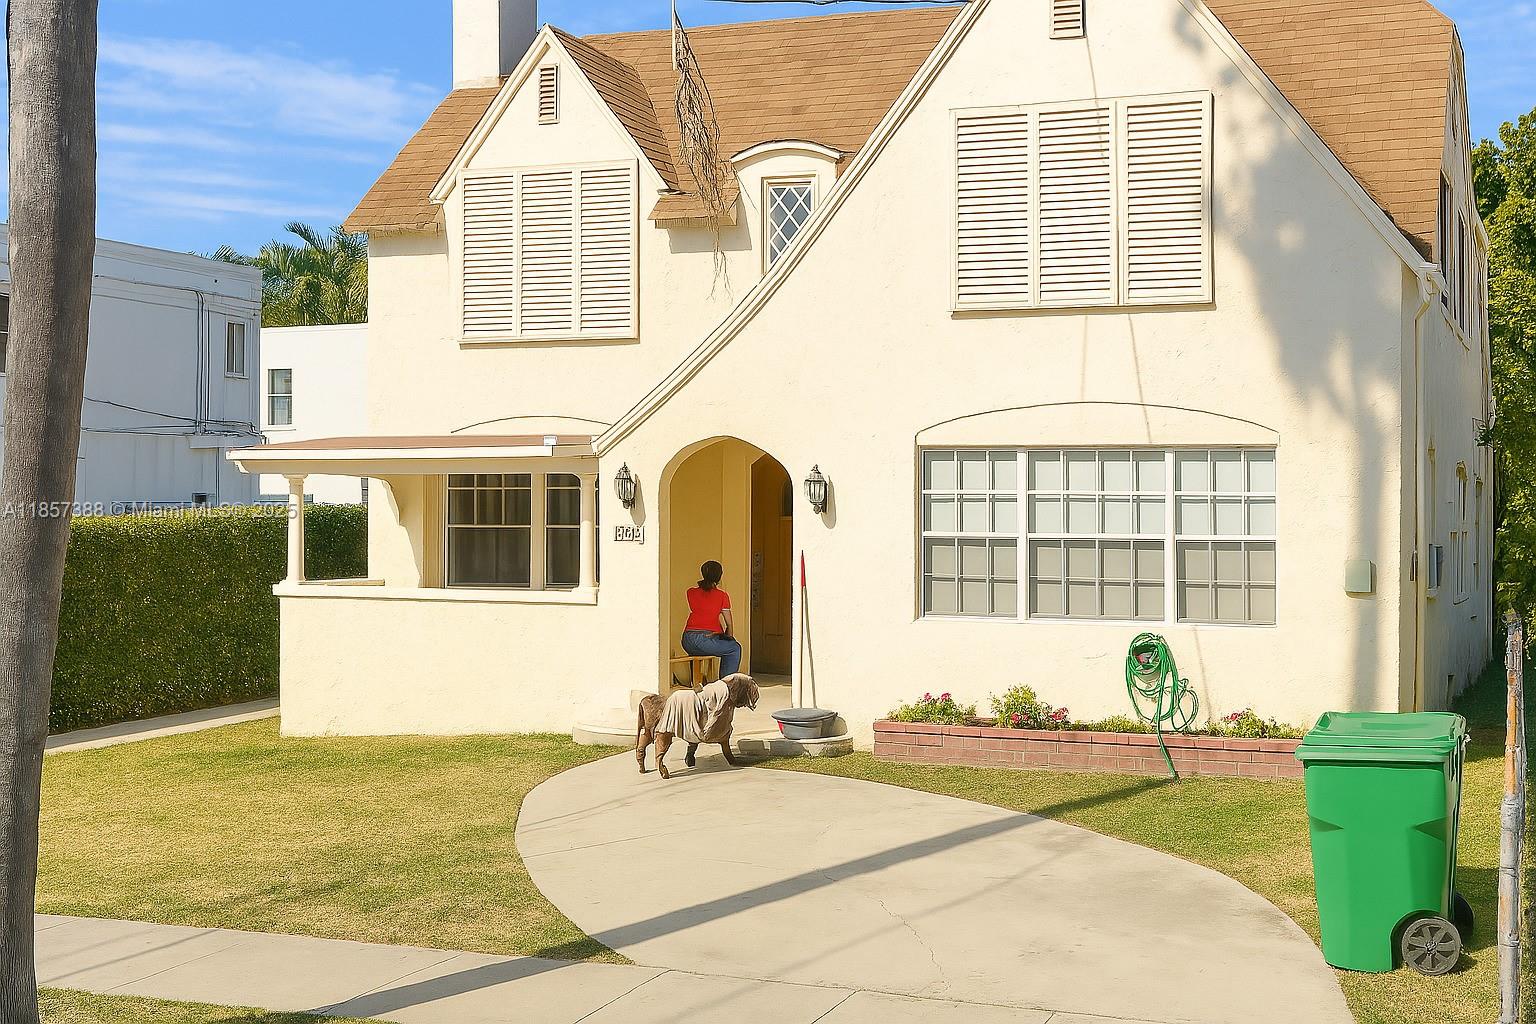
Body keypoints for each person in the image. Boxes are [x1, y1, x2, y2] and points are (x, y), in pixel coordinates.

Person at [681, 560, 742, 679]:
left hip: (687, 640)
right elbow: (729, 623)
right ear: (719, 576)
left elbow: (701, 610)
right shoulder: (722, 596)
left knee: (703, 649)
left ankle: (696, 681)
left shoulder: (691, 592)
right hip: (706, 640)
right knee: (734, 648)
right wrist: (729, 638)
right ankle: (726, 685)